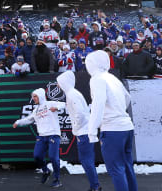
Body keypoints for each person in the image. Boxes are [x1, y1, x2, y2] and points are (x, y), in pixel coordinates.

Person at [86, 50, 138, 191]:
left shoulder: (97, 79)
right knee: (127, 166)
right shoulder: (112, 78)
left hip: (112, 128)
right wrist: (118, 110)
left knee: (116, 169)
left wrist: (91, 130)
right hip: (126, 126)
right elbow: (128, 97)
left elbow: (98, 104)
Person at [56, 71, 101, 191]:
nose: (58, 85)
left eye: (59, 82)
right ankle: (95, 186)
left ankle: (95, 187)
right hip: (85, 131)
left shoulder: (72, 95)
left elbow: (80, 114)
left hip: (83, 133)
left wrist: (76, 128)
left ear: (64, 82)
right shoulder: (73, 94)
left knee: (86, 161)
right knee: (88, 161)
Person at [13, 88, 65, 188]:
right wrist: (18, 122)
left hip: (53, 134)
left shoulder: (50, 103)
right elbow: (29, 120)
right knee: (37, 156)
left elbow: (63, 104)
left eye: (35, 96)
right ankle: (46, 171)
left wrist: (57, 108)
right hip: (41, 136)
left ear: (40, 96)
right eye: (33, 97)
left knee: (53, 157)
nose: (34, 99)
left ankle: (57, 179)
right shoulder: (35, 110)